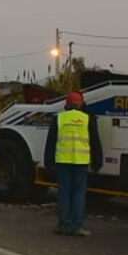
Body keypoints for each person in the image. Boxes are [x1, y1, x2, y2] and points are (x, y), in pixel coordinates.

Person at [43, 91, 102, 236]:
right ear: (81, 104)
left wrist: (48, 162)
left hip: (63, 161)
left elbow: (51, 142)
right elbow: (95, 142)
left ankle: (63, 225)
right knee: (79, 194)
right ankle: (77, 226)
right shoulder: (87, 119)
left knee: (64, 193)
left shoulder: (59, 118)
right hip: (80, 162)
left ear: (66, 104)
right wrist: (97, 162)